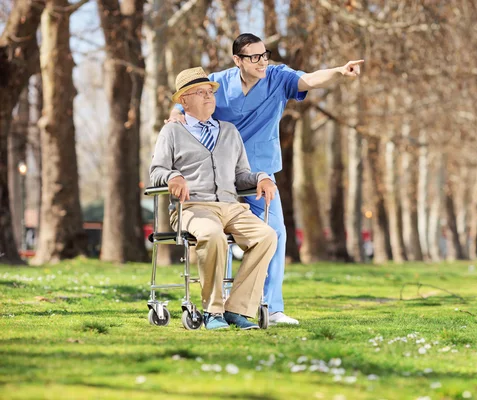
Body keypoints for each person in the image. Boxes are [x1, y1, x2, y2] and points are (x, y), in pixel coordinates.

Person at [168, 33, 364, 325]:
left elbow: (309, 80)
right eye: (254, 57)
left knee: (275, 232)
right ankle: (220, 304)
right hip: (218, 174)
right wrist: (174, 112)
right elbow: (187, 103)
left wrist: (338, 71)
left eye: (265, 55)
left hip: (258, 175)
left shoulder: (278, 77)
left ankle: (271, 307)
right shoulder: (218, 82)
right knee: (219, 234)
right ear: (238, 60)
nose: (262, 61)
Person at [150, 66, 278, 330]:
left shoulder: (230, 131)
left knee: (267, 236)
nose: (209, 97)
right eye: (201, 92)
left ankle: (237, 309)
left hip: (232, 207)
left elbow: (242, 174)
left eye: (210, 92)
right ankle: (212, 311)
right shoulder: (172, 132)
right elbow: (157, 171)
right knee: (213, 235)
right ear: (184, 100)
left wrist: (261, 178)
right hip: (193, 207)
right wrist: (173, 177)